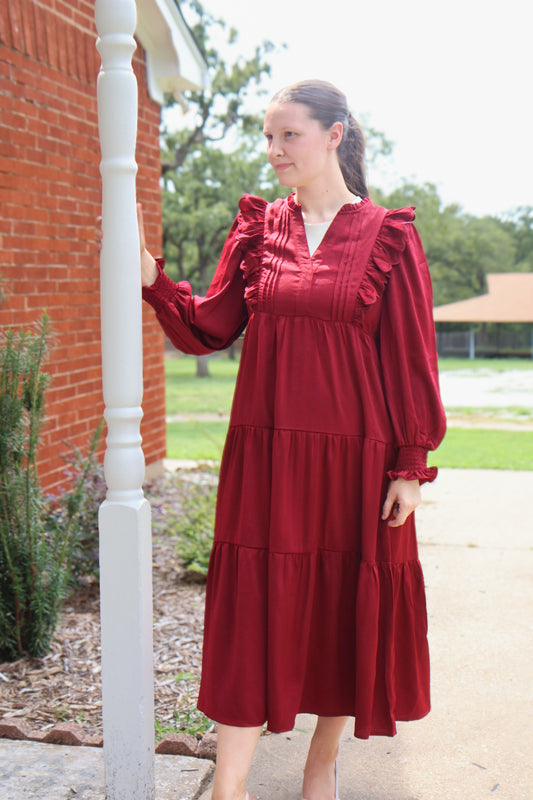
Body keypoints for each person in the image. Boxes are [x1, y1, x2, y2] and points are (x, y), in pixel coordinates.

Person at [140, 80, 446, 800]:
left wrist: (409, 463)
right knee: (251, 609)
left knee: (345, 605)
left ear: (334, 135)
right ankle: (231, 786)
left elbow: (410, 356)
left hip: (357, 459)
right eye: (268, 137)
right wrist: (154, 279)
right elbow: (208, 327)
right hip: (268, 456)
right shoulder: (256, 228)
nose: (273, 151)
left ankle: (320, 763)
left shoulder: (388, 235)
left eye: (288, 136)